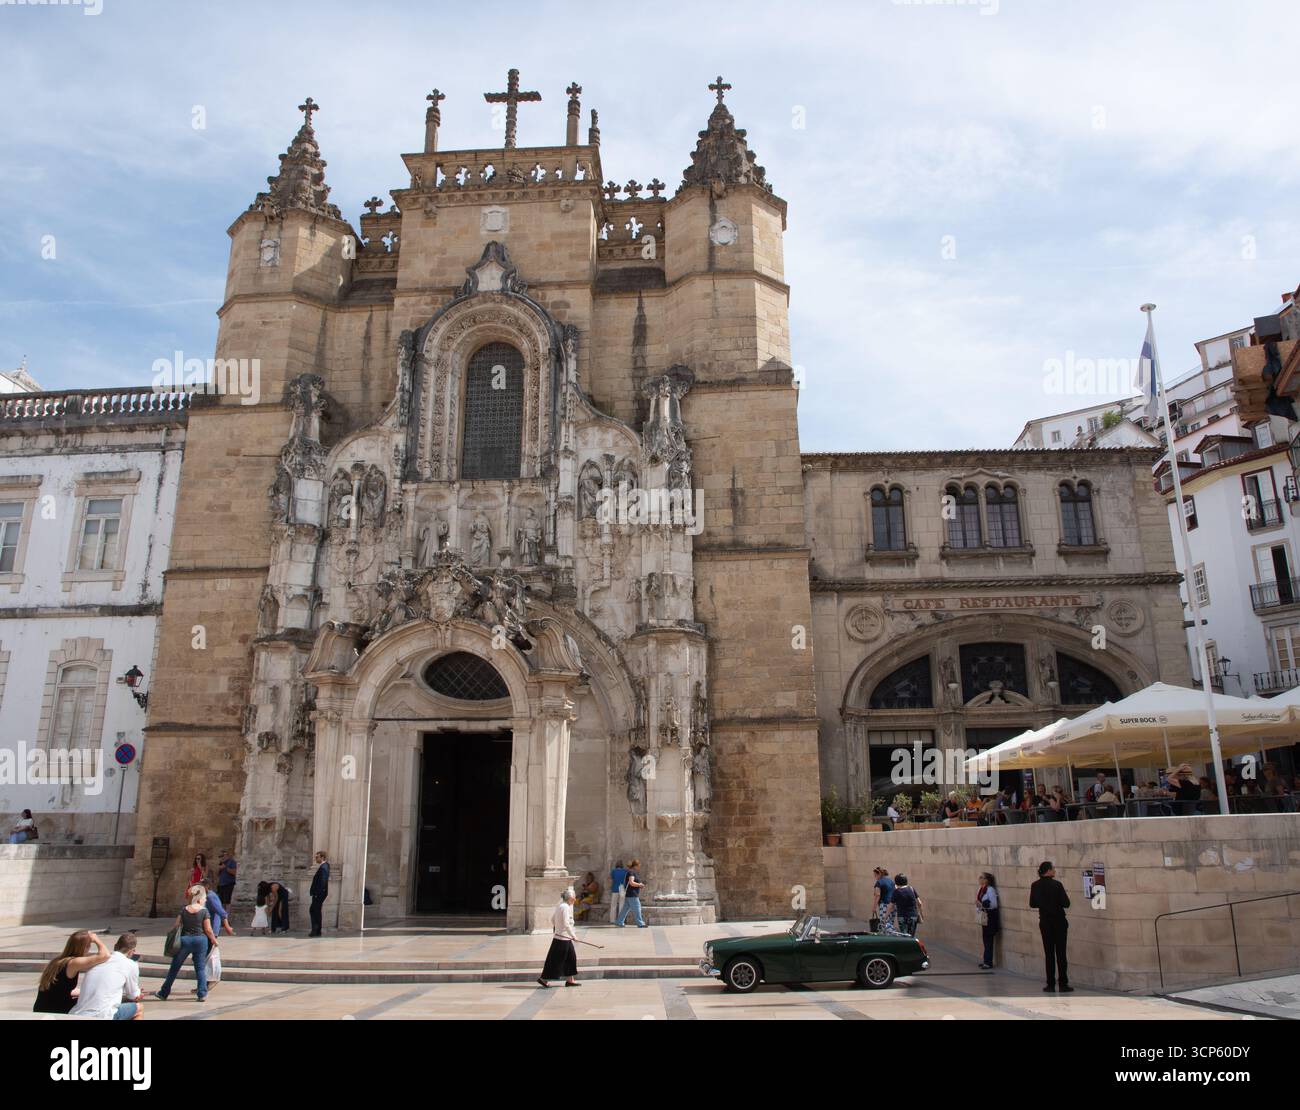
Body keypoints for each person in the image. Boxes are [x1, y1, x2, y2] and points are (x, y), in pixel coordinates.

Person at [154, 885, 218, 1002]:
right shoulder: (204, 911)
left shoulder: (184, 909)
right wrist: (214, 939)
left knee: (174, 967)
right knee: (200, 968)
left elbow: (176, 925)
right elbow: (208, 929)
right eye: (204, 898)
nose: (206, 900)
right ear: (200, 898)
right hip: (200, 940)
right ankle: (202, 993)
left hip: (185, 940)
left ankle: (164, 992)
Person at [33, 930, 110, 1013]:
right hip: (55, 1009)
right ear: (84, 947)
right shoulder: (73, 963)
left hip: (42, 1007)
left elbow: (60, 989)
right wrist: (96, 939)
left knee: (87, 998)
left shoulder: (58, 961)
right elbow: (105, 955)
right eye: (89, 946)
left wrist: (84, 992)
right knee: (95, 1004)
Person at [71, 933, 143, 1020]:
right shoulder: (131, 964)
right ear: (132, 951)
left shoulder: (99, 960)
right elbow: (133, 995)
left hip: (78, 1012)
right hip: (103, 1014)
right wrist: (138, 993)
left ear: (115, 946)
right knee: (138, 1008)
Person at [1029, 860, 1072, 993]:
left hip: (1045, 922)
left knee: (1049, 954)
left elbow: (1032, 904)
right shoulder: (1057, 885)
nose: (1054, 870)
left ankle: (1050, 984)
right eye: (1053, 868)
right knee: (1061, 953)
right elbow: (1066, 903)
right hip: (1059, 921)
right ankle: (1063, 984)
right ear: (1048, 871)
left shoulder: (1035, 885)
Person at [536, 888, 580, 988]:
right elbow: (566, 923)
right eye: (574, 897)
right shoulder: (565, 907)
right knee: (555, 960)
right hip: (562, 939)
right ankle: (543, 979)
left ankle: (570, 980)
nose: (575, 899)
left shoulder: (561, 906)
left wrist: (558, 930)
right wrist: (573, 935)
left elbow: (552, 920)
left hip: (564, 938)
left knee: (571, 958)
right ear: (571, 898)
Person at [975, 872, 1000, 968]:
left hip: (990, 917)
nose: (980, 878)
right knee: (985, 939)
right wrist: (978, 906)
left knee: (989, 939)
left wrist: (981, 905)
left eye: (982, 877)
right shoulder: (981, 889)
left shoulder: (990, 890)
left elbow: (994, 904)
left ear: (987, 880)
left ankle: (988, 962)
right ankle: (986, 960)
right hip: (984, 917)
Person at [616, 859, 647, 927]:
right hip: (632, 894)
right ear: (636, 866)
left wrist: (639, 884)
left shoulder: (630, 872)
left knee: (625, 909)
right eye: (639, 866)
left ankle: (619, 922)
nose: (639, 867)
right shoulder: (631, 872)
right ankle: (640, 923)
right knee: (637, 908)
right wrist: (640, 885)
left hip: (629, 894)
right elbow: (631, 882)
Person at [309, 851, 329, 937]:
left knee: (314, 911)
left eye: (317, 857)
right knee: (315, 911)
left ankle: (315, 930)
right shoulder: (324, 866)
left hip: (318, 894)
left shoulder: (324, 867)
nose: (316, 859)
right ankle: (317, 930)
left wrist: (317, 893)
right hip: (319, 893)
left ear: (322, 857)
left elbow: (323, 882)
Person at [872, 867, 895, 931]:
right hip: (893, 906)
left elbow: (877, 895)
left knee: (884, 925)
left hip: (884, 905)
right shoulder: (891, 881)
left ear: (879, 874)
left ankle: (889, 938)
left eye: (875, 875)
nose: (875, 877)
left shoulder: (879, 882)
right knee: (890, 924)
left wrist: (874, 907)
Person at [609, 859, 628, 925]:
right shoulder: (625, 871)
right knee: (622, 904)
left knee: (613, 905)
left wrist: (610, 887)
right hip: (622, 888)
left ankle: (612, 920)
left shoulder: (613, 871)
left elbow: (611, 880)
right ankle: (620, 920)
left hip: (615, 888)